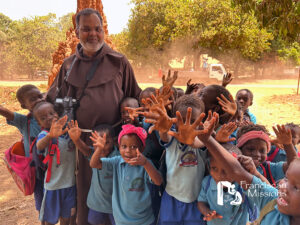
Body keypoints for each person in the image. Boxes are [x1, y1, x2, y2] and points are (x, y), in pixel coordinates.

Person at [46, 8, 141, 224]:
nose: (93, 34)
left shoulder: (120, 62)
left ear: (103, 30)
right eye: (86, 29)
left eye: (98, 29)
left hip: (114, 146)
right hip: (78, 144)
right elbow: (53, 99)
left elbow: (134, 96)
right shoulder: (68, 65)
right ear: (77, 30)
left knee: (113, 194)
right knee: (83, 193)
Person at [194, 113, 300, 225]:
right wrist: (208, 139)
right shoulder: (273, 201)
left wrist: (288, 145)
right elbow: (235, 171)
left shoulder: (268, 170)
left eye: (296, 187)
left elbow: (291, 166)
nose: (283, 187)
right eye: (286, 179)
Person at [141, 94, 207, 225]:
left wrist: (192, 142)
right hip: (171, 199)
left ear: (201, 123)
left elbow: (201, 143)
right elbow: (164, 134)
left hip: (196, 202)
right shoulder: (172, 139)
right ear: (174, 120)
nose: (186, 126)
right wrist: (163, 128)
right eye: (181, 120)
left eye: (192, 121)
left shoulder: (202, 141)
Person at [90, 124, 163, 225]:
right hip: (121, 221)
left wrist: (146, 163)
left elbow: (158, 181)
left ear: (142, 149)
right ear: (119, 147)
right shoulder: (116, 162)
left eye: (133, 147)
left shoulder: (146, 164)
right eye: (124, 146)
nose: (128, 151)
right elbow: (94, 164)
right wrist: (98, 149)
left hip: (144, 220)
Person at [0, 84, 44, 224]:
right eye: (32, 99)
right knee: (42, 207)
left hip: (57, 171)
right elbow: (6, 112)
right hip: (37, 173)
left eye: (40, 96)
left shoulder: (52, 115)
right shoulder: (25, 122)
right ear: (24, 106)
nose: (38, 100)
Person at [67, 121, 118, 225]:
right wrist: (76, 139)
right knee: (95, 221)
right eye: (97, 143)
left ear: (114, 141)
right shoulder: (95, 154)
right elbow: (85, 150)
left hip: (115, 206)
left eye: (106, 142)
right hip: (96, 204)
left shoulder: (118, 156)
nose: (101, 146)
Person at [197, 144, 262, 225]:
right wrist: (207, 212)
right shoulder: (207, 183)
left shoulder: (244, 185)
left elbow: (264, 192)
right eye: (214, 168)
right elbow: (201, 202)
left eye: (226, 170)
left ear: (238, 168)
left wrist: (254, 172)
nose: (220, 175)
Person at [34, 101, 76, 225]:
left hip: (70, 185)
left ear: (57, 114)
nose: (49, 118)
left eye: (52, 113)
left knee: (67, 218)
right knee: (49, 220)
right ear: (39, 123)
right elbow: (39, 146)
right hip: (53, 186)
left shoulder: (69, 132)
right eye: (43, 118)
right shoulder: (44, 135)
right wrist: (50, 136)